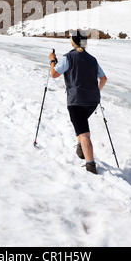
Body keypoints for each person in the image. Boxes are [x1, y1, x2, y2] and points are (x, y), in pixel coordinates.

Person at [49, 30, 107, 175]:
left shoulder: (69, 57)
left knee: (85, 133)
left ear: (73, 42)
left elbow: (54, 74)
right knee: (81, 123)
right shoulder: (92, 59)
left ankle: (90, 164)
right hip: (92, 101)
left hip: (76, 101)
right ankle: (80, 148)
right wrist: (96, 91)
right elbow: (103, 78)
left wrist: (52, 61)